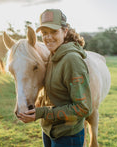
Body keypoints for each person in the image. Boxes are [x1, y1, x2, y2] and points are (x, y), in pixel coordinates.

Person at [17, 9, 92, 147]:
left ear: (65, 31)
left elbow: (83, 108)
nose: (48, 37)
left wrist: (43, 112)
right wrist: (39, 102)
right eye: (45, 33)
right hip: (49, 131)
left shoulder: (72, 60)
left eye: (54, 32)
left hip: (67, 136)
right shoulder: (52, 55)